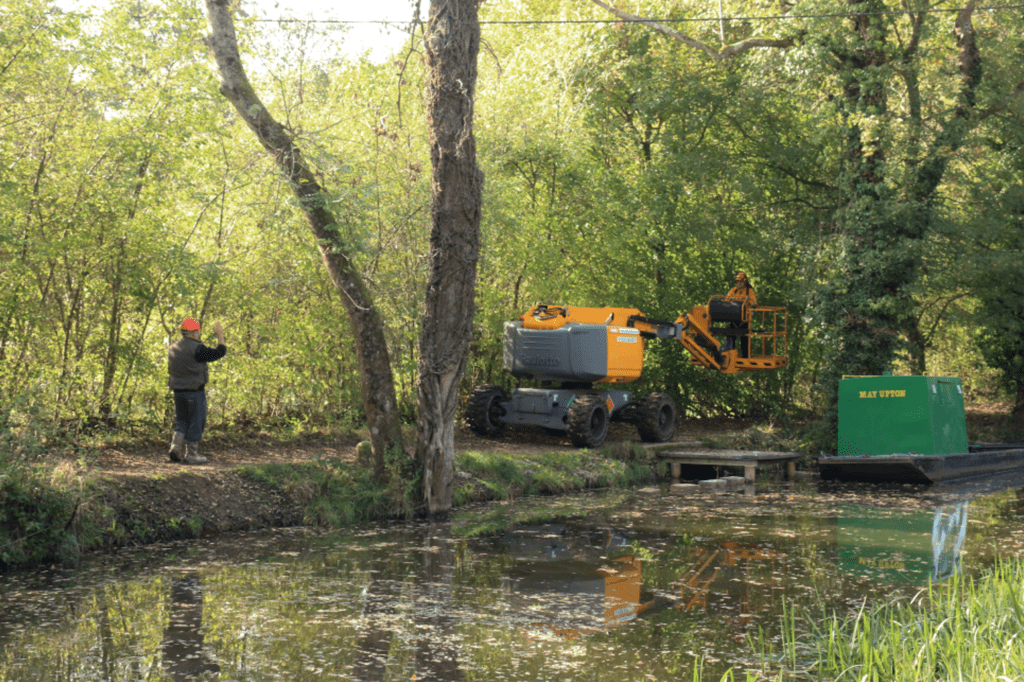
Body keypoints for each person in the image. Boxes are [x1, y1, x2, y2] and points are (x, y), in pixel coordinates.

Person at [168, 318, 226, 464]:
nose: (199, 334)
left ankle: (175, 447)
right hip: (194, 392)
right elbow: (220, 352)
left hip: (178, 392)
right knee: (196, 421)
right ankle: (192, 454)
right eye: (198, 332)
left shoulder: (173, 347)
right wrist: (220, 334)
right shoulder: (197, 349)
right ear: (193, 333)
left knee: (181, 420)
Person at [722, 272, 757, 354]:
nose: (739, 283)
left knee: (744, 341)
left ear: (744, 281)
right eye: (738, 282)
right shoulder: (733, 291)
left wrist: (751, 309)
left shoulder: (749, 291)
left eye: (741, 281)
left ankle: (745, 356)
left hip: (744, 320)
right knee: (730, 338)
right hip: (733, 319)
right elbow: (726, 301)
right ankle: (729, 355)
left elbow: (754, 303)